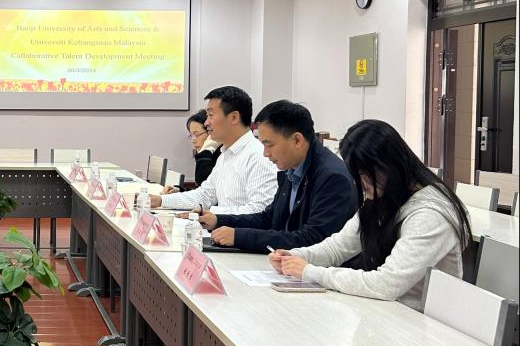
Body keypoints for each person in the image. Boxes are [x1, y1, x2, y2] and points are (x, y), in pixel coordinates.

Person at [269, 119, 473, 311]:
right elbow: (338, 247)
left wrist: (310, 272)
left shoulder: (430, 215)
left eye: (364, 175)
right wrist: (296, 257)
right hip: (388, 311)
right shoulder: (385, 196)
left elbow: (387, 284)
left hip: (424, 322)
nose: (361, 183)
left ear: (389, 166)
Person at [196, 100, 357, 253]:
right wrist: (219, 220)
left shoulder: (332, 177)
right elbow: (269, 219)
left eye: (269, 145)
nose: (265, 153)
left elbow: (312, 240)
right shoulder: (292, 166)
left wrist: (239, 236)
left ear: (297, 140)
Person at [151, 86, 277, 214]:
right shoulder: (225, 155)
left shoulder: (258, 156)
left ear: (234, 117)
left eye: (211, 115)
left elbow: (259, 211)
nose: (206, 123)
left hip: (233, 227)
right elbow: (205, 195)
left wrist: (212, 213)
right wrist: (160, 200)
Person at [162, 110, 221, 194]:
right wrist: (179, 191)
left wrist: (206, 151)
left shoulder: (219, 156)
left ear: (210, 133)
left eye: (197, 134)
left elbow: (208, 192)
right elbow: (202, 191)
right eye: (191, 135)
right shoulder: (205, 156)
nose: (193, 140)